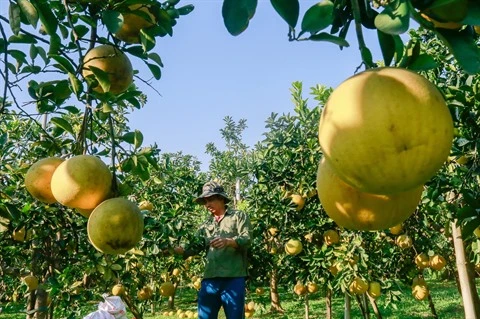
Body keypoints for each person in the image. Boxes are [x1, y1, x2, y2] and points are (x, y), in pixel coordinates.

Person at [173, 181, 252, 319]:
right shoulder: (206, 225)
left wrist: (229, 242)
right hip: (210, 278)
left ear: (221, 198)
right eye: (205, 201)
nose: (207, 204)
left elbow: (247, 238)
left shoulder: (238, 216)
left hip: (233, 277)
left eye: (210, 199)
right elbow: (194, 247)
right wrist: (176, 250)